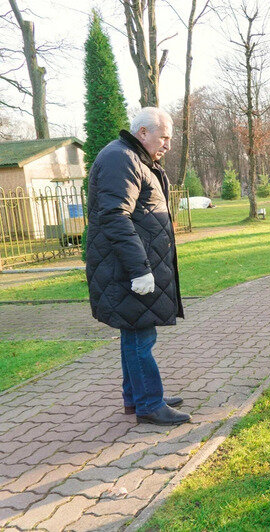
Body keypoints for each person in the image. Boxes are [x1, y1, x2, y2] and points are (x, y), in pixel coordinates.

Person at [85, 107, 190, 426]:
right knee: (141, 337)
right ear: (143, 133)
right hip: (126, 269)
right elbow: (115, 216)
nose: (168, 145)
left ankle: (138, 397)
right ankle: (148, 403)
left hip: (126, 266)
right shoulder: (123, 158)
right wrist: (140, 269)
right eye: (164, 137)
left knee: (134, 334)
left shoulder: (135, 158)